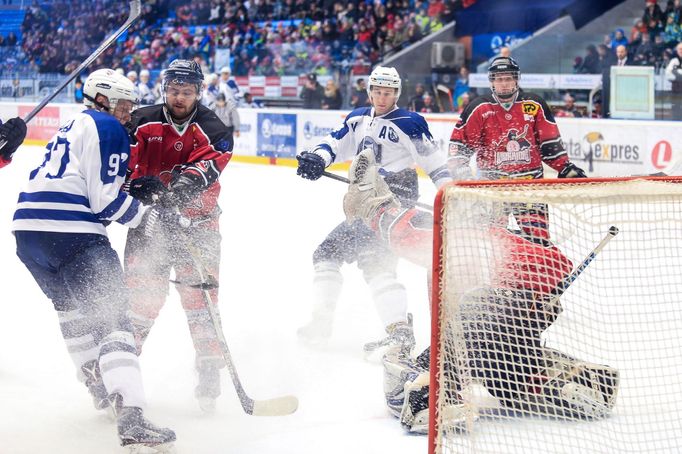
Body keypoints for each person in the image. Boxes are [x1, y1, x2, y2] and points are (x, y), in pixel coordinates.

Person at [342, 149, 619, 433]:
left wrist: (373, 206)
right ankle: (561, 377)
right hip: (490, 344)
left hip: (482, 345)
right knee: (500, 357)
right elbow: (557, 265)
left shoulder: (462, 238)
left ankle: (444, 393)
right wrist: (544, 302)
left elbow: (400, 230)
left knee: (429, 365)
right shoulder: (488, 241)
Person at [11, 69, 176, 450]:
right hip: (72, 234)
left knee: (71, 311)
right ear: (101, 100)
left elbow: (90, 184)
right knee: (115, 316)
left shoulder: (74, 125)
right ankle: (132, 418)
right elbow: (105, 202)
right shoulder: (108, 126)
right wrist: (149, 217)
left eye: (130, 107)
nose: (127, 114)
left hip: (29, 233)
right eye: (122, 105)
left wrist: (130, 188)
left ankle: (100, 388)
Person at [295, 65, 452, 352]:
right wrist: (318, 158)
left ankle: (400, 333)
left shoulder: (409, 122)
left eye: (389, 92)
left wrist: (451, 195)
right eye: (378, 91)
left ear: (397, 94)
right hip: (364, 205)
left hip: (394, 206)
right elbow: (335, 143)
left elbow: (436, 165)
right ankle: (322, 322)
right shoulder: (357, 118)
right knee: (327, 253)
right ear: (369, 91)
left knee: (375, 262)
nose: (382, 97)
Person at [124, 59, 234, 413]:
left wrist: (179, 190)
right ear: (164, 88)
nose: (180, 97)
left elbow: (206, 167)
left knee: (201, 303)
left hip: (198, 224)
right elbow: (123, 165)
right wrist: (136, 186)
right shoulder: (141, 120)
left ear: (199, 92)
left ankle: (208, 371)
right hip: (149, 223)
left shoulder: (214, 128)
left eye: (187, 91)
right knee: (140, 300)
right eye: (174, 90)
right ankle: (119, 376)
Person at [449, 57, 586, 242]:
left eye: (508, 78)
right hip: (492, 187)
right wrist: (462, 172)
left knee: (538, 241)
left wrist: (564, 167)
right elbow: (460, 146)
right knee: (492, 241)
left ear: (516, 80)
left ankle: (536, 268)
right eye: (498, 79)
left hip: (529, 186)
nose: (504, 84)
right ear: (492, 82)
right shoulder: (479, 108)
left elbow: (549, 143)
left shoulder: (533, 104)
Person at [665, 42, 682, 120]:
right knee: (675, 107)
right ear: (677, 50)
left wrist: (677, 72)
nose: (681, 50)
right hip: (676, 89)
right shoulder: (674, 61)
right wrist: (678, 76)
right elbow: (668, 74)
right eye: (679, 49)